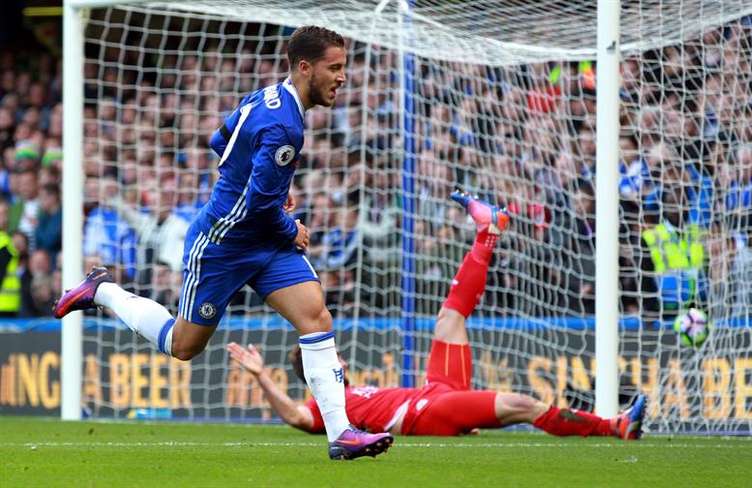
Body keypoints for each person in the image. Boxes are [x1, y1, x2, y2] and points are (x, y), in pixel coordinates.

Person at [53, 26, 392, 460]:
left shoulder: (266, 97)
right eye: (335, 67)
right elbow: (257, 207)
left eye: (344, 67)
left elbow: (220, 140)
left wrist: (265, 183)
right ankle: (101, 289)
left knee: (315, 317)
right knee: (184, 346)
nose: (343, 77)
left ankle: (341, 433)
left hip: (264, 244)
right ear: (305, 67)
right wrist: (293, 229)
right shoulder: (285, 125)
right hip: (223, 243)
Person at [229, 191, 647, 439]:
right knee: (522, 403)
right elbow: (296, 417)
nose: (338, 357)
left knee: (448, 319)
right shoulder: (325, 403)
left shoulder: (355, 394)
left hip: (436, 390)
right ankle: (614, 427)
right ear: (319, 370)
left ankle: (488, 231)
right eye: (330, 356)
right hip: (428, 412)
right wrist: (262, 376)